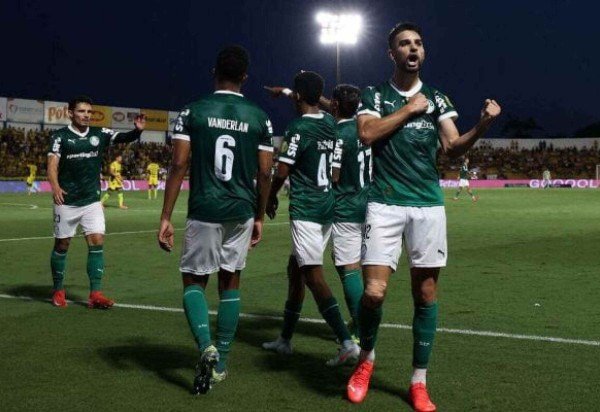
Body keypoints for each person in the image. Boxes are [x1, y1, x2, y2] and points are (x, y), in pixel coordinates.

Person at [345, 22, 501, 411]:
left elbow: (452, 147)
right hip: (384, 202)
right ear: (392, 53)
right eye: (404, 44)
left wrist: (482, 125)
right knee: (373, 292)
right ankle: (365, 359)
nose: (413, 48)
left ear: (423, 52)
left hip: (427, 205)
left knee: (426, 293)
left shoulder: (437, 98)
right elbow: (366, 134)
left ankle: (418, 380)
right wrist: (408, 109)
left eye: (418, 43)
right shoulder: (375, 95)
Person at [157, 45, 273, 395]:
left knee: (194, 282)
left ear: (214, 72)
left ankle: (205, 345)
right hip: (241, 210)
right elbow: (265, 173)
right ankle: (220, 363)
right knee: (230, 283)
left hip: (205, 208)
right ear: (245, 77)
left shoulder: (193, 111)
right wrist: (259, 216)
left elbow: (179, 163)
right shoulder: (260, 117)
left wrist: (166, 216)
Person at [261, 71, 360, 366]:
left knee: (314, 277)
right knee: (296, 271)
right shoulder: (331, 122)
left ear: (300, 97)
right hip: (328, 207)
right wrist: (288, 91)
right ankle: (285, 340)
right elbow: (327, 105)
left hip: (306, 209)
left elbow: (281, 171)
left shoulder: (298, 127)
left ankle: (346, 342)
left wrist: (269, 197)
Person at [47, 95, 145, 308]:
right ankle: (58, 290)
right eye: (81, 111)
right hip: (67, 201)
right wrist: (55, 186)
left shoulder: (99, 133)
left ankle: (95, 294)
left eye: (89, 112)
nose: (86, 115)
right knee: (62, 245)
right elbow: (52, 164)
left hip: (91, 200)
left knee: (97, 241)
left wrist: (137, 131)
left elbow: (122, 137)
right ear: (70, 113)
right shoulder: (60, 136)